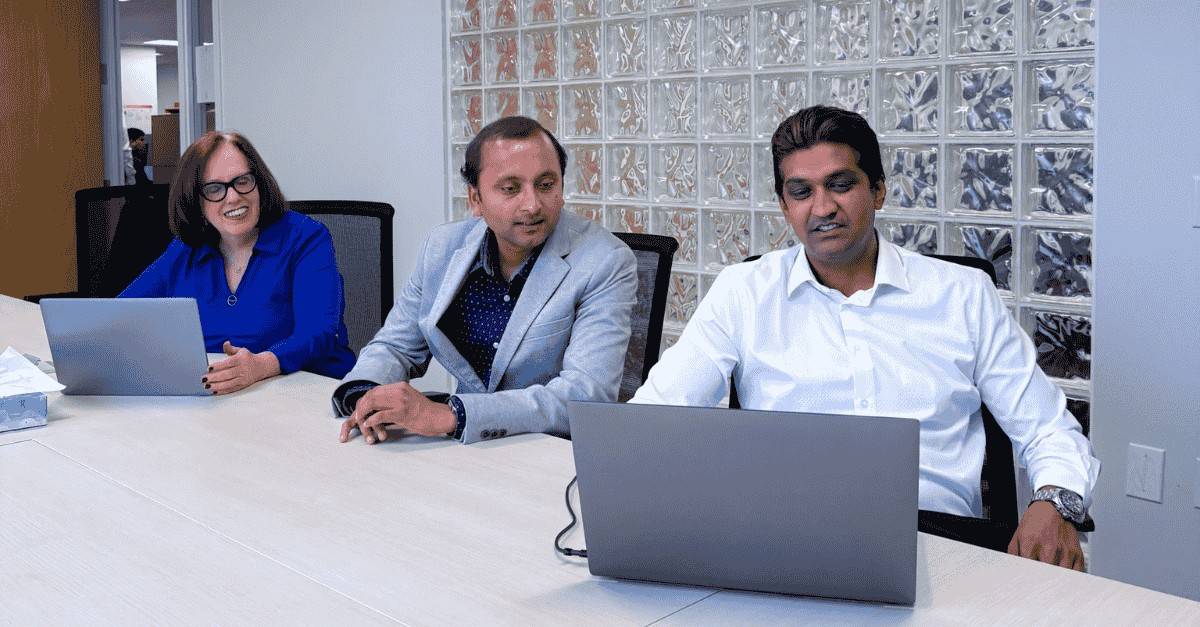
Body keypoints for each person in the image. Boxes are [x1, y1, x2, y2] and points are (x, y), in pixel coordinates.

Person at [630, 106, 1100, 571]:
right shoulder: (744, 291)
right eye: (801, 191)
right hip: (786, 541)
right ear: (784, 205)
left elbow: (1047, 429)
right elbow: (652, 417)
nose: (822, 207)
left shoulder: (962, 295)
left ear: (877, 191)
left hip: (939, 546)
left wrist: (1055, 504)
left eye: (841, 184)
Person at [333, 116, 638, 445]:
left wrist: (455, 415)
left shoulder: (605, 261)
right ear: (476, 199)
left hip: (549, 452)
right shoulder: (442, 247)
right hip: (465, 452)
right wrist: (365, 396)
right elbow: (396, 347)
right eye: (511, 189)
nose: (533, 204)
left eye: (547, 185)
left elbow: (584, 397)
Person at [121, 131, 356, 393]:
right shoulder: (186, 250)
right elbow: (119, 316)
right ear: (195, 201)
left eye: (242, 181)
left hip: (308, 395)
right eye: (214, 189)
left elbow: (318, 333)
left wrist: (261, 365)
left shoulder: (306, 238)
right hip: (219, 403)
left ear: (259, 183)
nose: (232, 197)